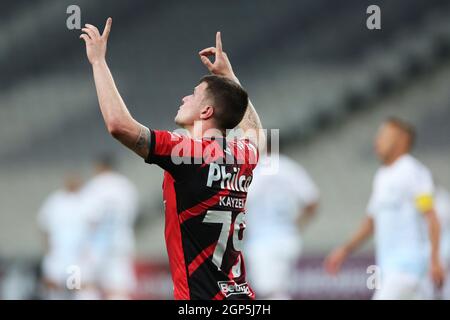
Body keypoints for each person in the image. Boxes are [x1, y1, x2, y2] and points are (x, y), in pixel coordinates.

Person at [80, 18, 264, 300]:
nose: (184, 97)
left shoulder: (188, 152)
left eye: (193, 95)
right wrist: (230, 79)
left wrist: (98, 62)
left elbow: (120, 125)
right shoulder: (243, 154)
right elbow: (255, 132)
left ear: (206, 112)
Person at [324, 117, 445, 299]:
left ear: (402, 139)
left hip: (410, 269)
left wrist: (435, 260)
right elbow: (371, 221)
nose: (377, 140)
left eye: (383, 135)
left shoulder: (413, 172)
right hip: (390, 269)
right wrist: (344, 249)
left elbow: (431, 216)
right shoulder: (382, 176)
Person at [245, 148, 319, 299]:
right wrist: (296, 226)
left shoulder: (253, 171)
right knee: (280, 290)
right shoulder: (289, 168)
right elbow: (312, 201)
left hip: (262, 241)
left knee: (271, 292)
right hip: (288, 238)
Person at [79, 155, 138, 300]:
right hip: (121, 241)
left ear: (100, 167)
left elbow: (89, 218)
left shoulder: (94, 186)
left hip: (97, 243)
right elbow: (133, 213)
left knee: (87, 284)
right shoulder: (126, 186)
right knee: (118, 288)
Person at [37, 174, 85, 299]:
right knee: (54, 289)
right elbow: (44, 226)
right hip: (57, 254)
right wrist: (48, 251)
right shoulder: (55, 200)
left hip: (76, 256)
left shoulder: (85, 200)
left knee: (75, 289)